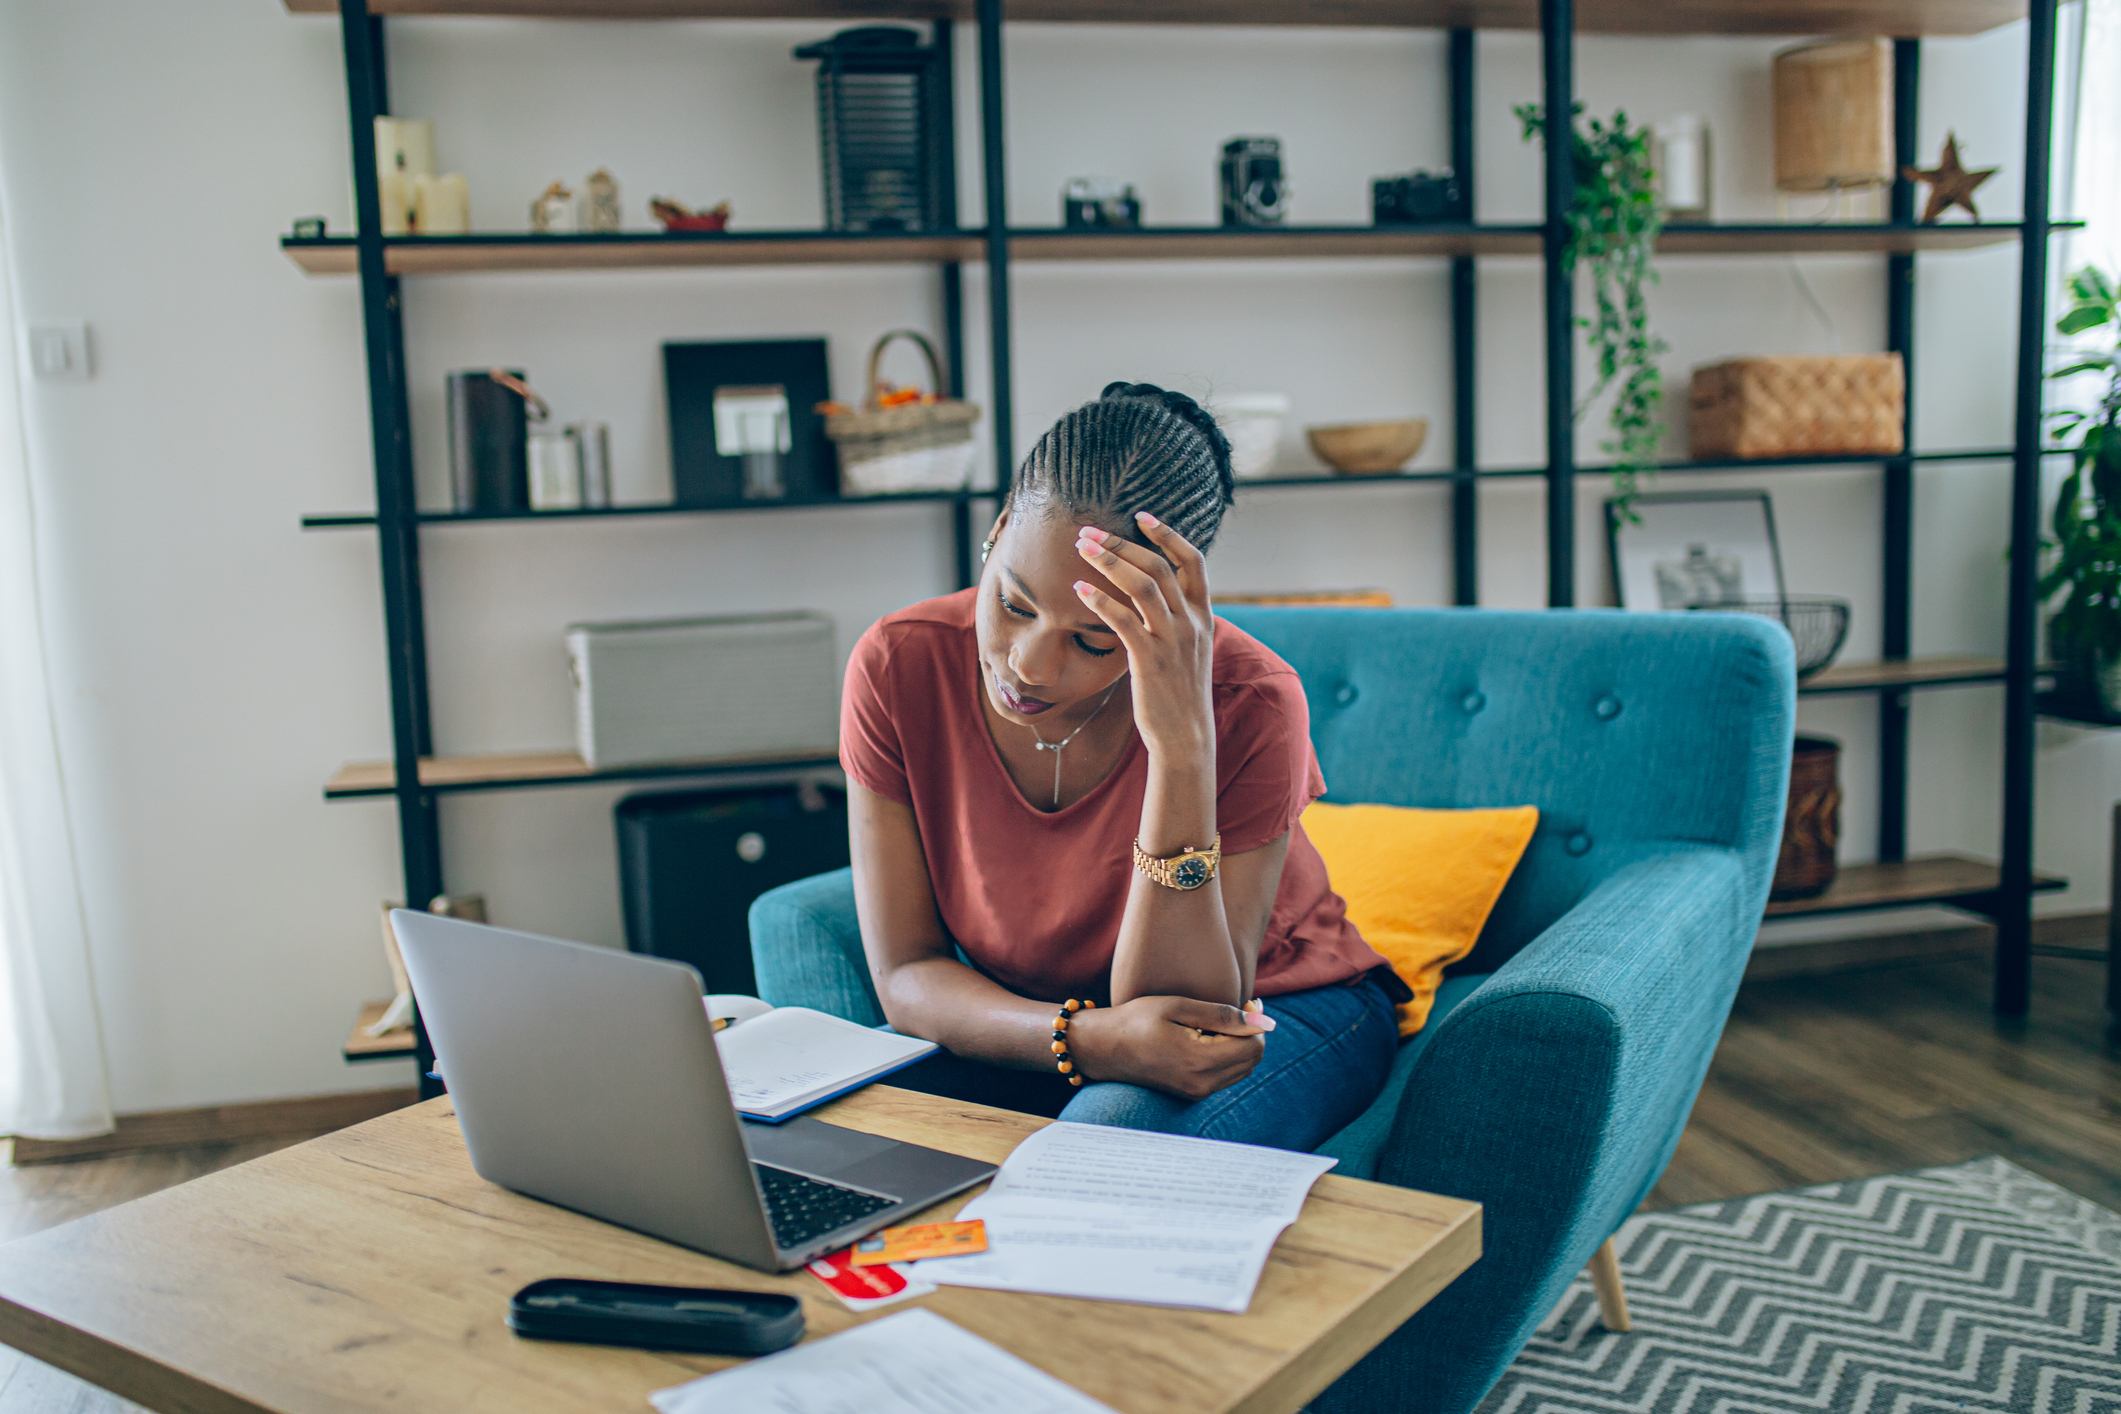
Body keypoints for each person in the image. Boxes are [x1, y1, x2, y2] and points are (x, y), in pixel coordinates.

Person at [837, 382, 1407, 1151]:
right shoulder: (898, 663)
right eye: (1012, 604)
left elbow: (1181, 1011)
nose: (1028, 667)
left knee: (1119, 1136)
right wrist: (1087, 1040)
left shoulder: (1250, 700)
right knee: (844, 1120)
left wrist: (1180, 750)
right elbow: (907, 970)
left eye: (1094, 640)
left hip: (1274, 1008)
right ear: (999, 530)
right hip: (1063, 1017)